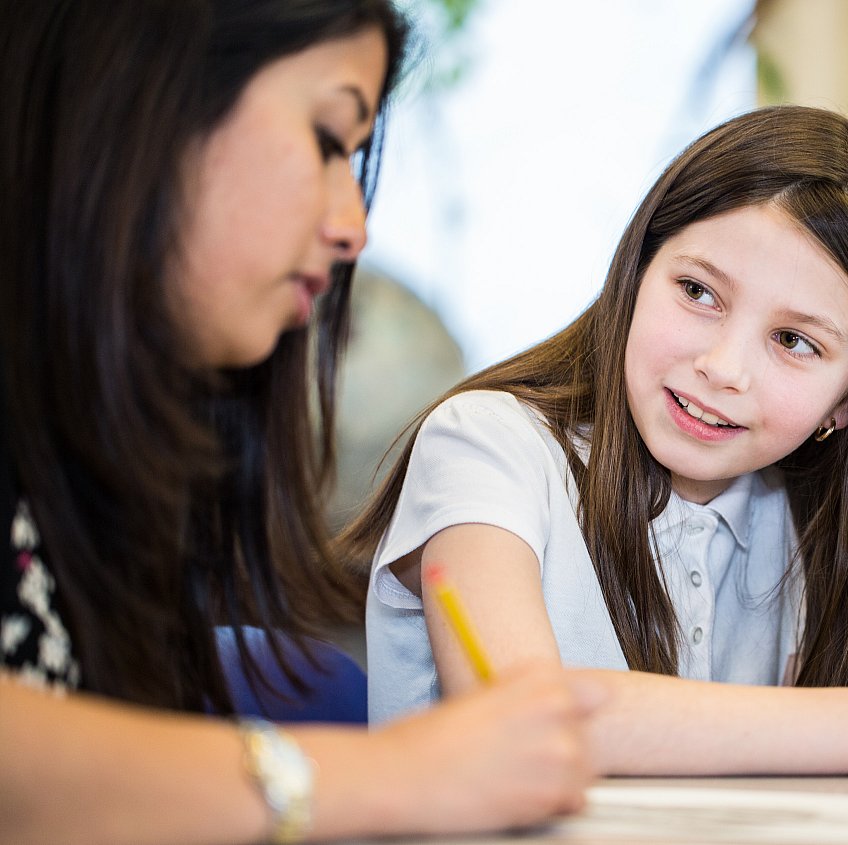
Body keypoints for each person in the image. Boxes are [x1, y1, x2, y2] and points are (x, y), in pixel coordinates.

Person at [346, 105, 848, 776]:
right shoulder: (483, 447)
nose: (722, 368)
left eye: (793, 341)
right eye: (698, 292)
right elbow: (521, 716)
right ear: (636, 271)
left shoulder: (802, 516)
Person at [0, 2, 597, 843]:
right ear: (139, 95)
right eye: (326, 139)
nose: (354, 226)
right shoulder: (489, 438)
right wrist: (395, 773)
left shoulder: (103, 470)